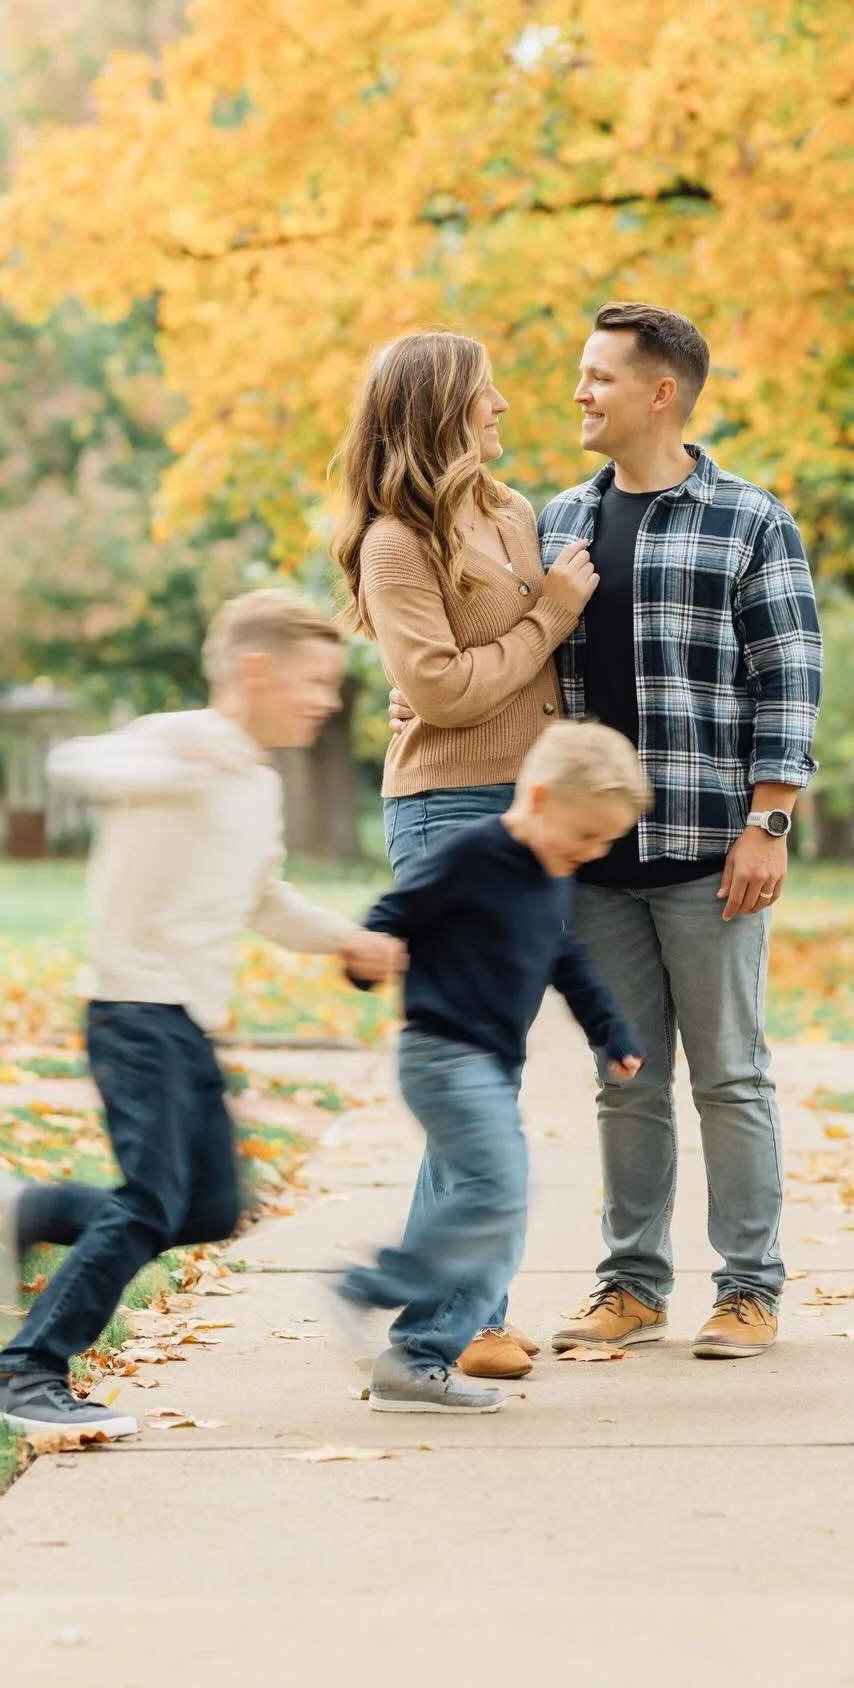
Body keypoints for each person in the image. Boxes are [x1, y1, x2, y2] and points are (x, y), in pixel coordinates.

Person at [392, 302, 822, 1360]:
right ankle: (631, 1283)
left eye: (598, 377)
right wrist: (417, 700)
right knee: (624, 1077)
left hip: (713, 850)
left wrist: (769, 823)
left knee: (731, 1074)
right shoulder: (559, 525)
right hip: (590, 860)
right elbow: (503, 645)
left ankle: (749, 1288)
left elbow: (792, 686)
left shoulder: (749, 517)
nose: (577, 393)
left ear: (659, 391)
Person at [0, 591, 404, 1442]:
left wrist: (352, 940)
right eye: (313, 681)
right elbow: (78, 763)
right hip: (134, 1005)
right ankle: (26, 1373)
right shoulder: (181, 737)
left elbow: (265, 898)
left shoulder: (256, 782)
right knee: (149, 1199)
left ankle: (35, 1210)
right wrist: (172, 766)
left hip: (187, 1018)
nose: (326, 699)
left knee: (208, 1207)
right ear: (255, 670)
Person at [332, 329, 600, 1380]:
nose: (501, 411)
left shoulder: (513, 510)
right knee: (475, 1074)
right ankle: (437, 1323)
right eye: (484, 398)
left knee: (497, 1069)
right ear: (442, 409)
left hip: (528, 810)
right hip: (449, 811)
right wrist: (549, 613)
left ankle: (472, 1307)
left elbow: (492, 673)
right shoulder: (396, 541)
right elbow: (443, 691)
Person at [330, 721, 648, 1415]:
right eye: (583, 836)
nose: (590, 854)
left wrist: (611, 1032)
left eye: (604, 843)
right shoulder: (470, 854)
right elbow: (391, 913)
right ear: (536, 798)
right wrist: (365, 959)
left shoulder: (548, 872)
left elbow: (568, 963)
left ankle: (417, 1364)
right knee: (498, 1192)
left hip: (489, 1064)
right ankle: (376, 1291)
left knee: (497, 1212)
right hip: (442, 1054)